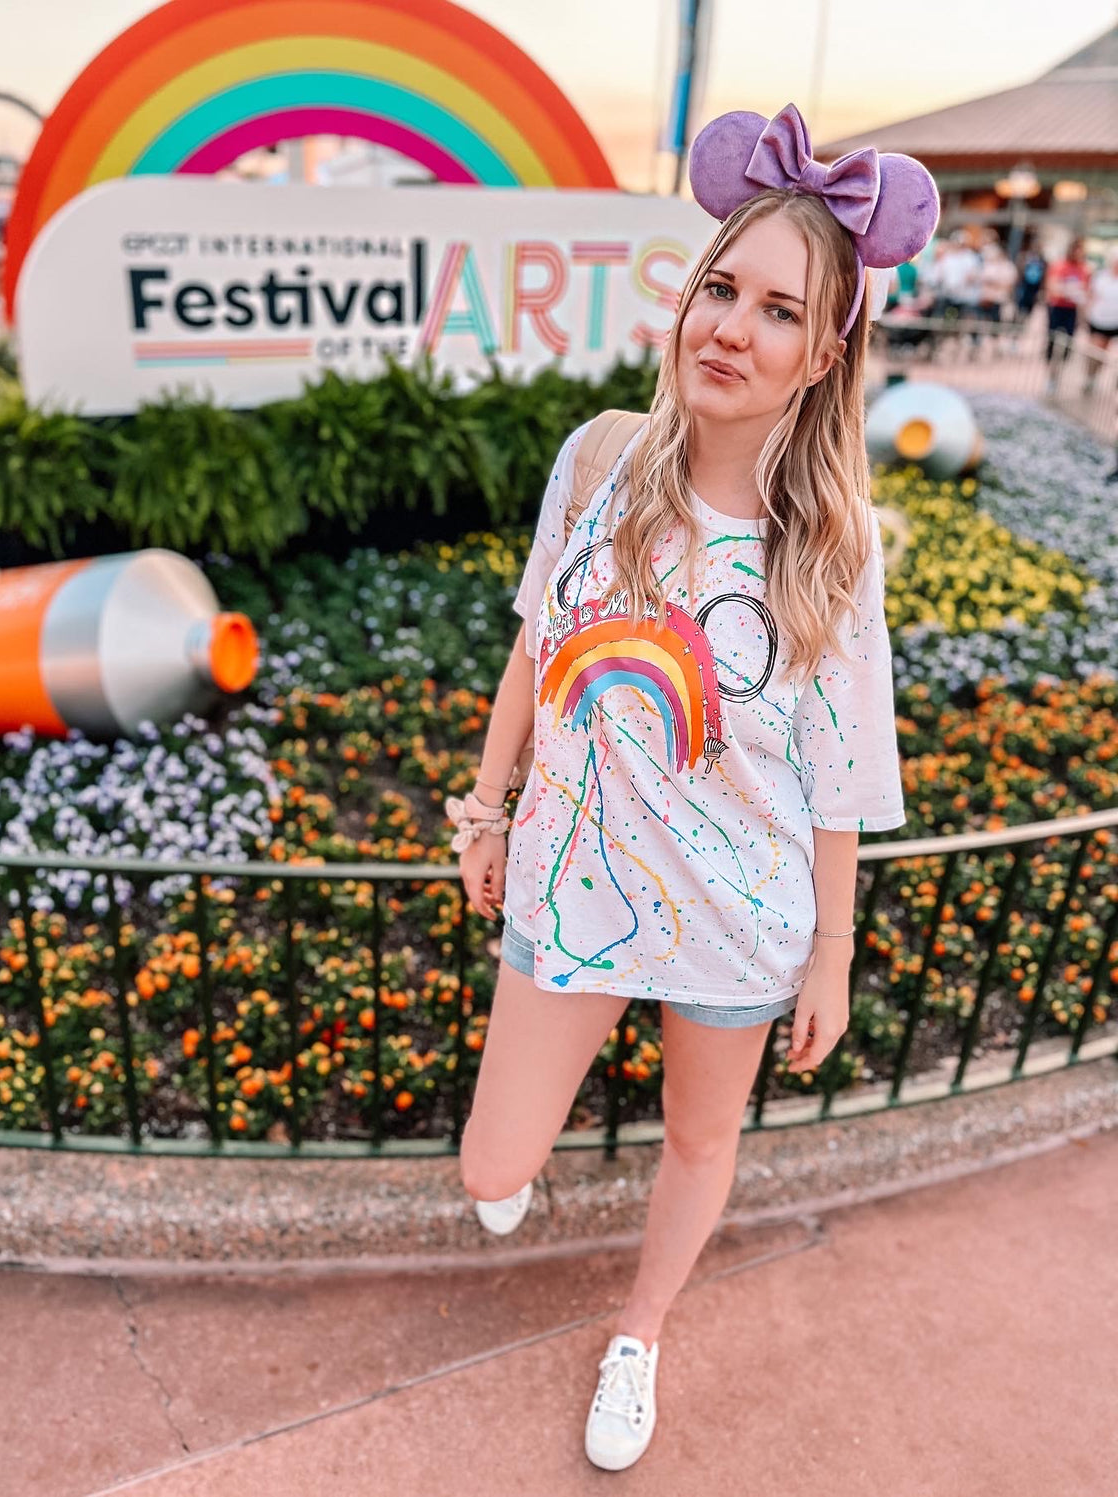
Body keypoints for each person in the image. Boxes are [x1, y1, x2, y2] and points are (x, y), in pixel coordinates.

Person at [450, 101, 937, 1473]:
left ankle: (641, 1333)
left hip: (740, 911)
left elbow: (837, 777)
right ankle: (517, 1171)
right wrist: (488, 806)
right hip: (577, 881)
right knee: (493, 1166)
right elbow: (534, 648)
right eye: (720, 287)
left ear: (819, 355)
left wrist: (831, 951)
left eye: (778, 310)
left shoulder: (830, 550)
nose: (731, 327)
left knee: (698, 1138)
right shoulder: (600, 460)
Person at [1043, 237, 1091, 389]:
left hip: (1072, 310)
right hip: (1057, 308)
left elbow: (1085, 290)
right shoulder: (1060, 266)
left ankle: (1058, 372)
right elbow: (1052, 287)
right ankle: (1051, 374)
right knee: (1052, 340)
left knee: (1068, 343)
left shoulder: (1084, 269)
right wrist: (1067, 291)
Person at [1082, 248, 1118, 395]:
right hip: (1099, 320)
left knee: (1105, 352)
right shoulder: (1101, 277)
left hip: (1114, 321)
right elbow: (1090, 296)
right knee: (1096, 352)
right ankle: (1090, 378)